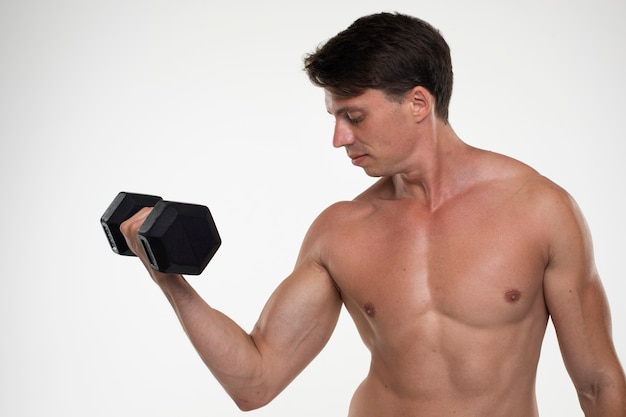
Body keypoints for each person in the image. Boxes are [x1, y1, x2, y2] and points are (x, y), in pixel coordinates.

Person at [120, 12, 626, 416]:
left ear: (418, 103)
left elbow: (598, 383)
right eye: (335, 117)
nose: (339, 137)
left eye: (353, 116)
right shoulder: (341, 231)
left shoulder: (539, 210)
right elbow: (256, 382)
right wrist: (171, 283)